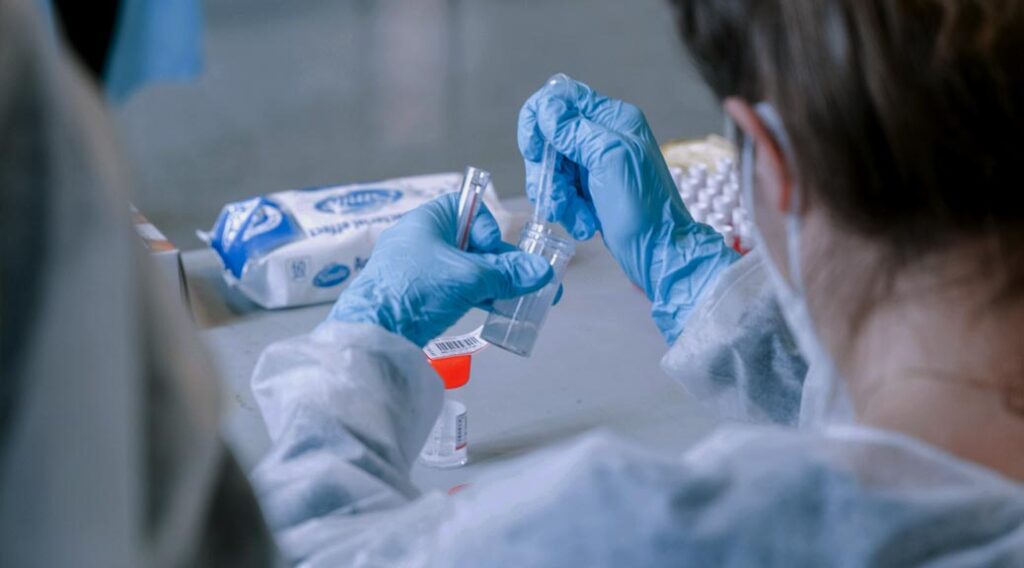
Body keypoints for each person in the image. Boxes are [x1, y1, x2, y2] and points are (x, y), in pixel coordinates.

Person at [3, 0, 1023, 567]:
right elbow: (925, 443)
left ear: (765, 157)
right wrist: (693, 280)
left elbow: (296, 555)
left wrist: (361, 351)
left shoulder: (630, 534)